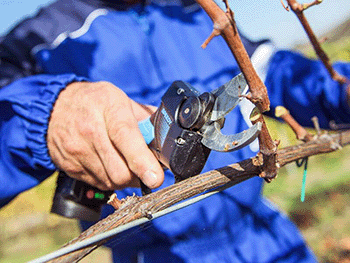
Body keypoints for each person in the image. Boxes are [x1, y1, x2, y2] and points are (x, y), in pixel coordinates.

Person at [0, 0, 349, 262]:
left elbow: (272, 74)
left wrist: (342, 89)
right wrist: (41, 117)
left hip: (268, 239)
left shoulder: (198, 12)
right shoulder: (32, 47)